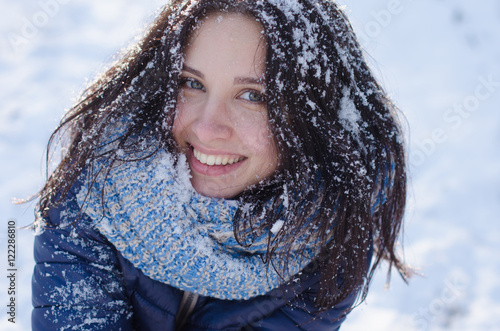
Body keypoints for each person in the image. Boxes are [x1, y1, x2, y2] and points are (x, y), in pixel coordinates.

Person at [31, 0, 410, 330]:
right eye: (191, 83)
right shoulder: (99, 190)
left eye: (252, 95)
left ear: (312, 117)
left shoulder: (325, 234)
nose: (208, 128)